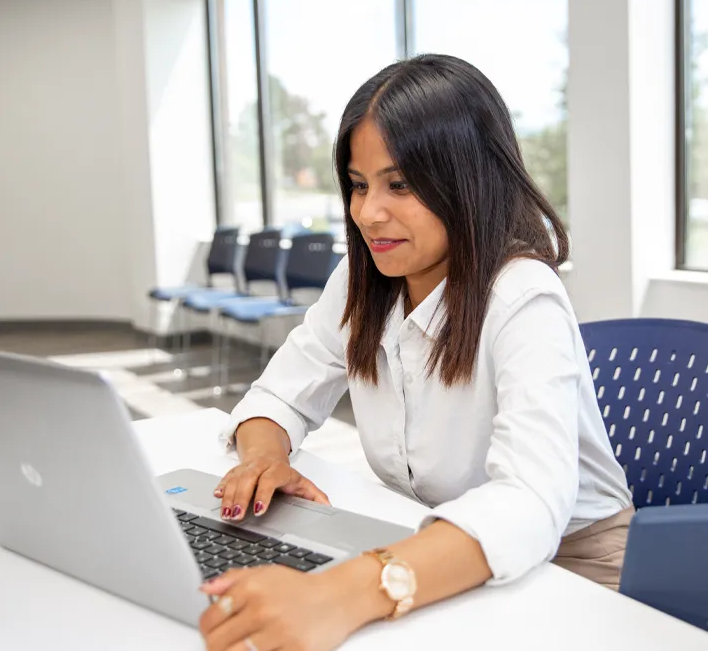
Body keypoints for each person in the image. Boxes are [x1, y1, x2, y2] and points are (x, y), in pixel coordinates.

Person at [198, 54, 634, 651]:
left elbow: (528, 503)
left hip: (571, 563)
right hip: (431, 540)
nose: (367, 212)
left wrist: (342, 592)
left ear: (468, 179)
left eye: (399, 184)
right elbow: (277, 396)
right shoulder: (363, 276)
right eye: (358, 184)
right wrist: (263, 455)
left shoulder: (523, 297)